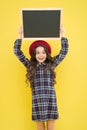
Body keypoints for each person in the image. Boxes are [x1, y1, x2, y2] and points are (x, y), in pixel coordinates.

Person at [14, 26, 69, 130]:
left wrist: (62, 34)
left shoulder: (51, 64)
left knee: (51, 127)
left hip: (50, 99)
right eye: (38, 53)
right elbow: (17, 52)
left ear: (47, 54)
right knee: (40, 127)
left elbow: (64, 51)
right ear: (34, 54)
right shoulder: (30, 65)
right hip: (37, 100)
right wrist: (20, 35)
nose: (40, 55)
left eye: (43, 52)